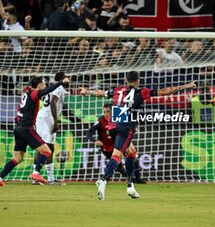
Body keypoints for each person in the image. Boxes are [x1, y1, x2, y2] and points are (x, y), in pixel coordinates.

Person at [81, 71, 196, 201]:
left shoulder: (118, 89)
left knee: (131, 153)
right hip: (126, 126)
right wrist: (185, 86)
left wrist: (88, 92)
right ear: (139, 81)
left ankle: (130, 185)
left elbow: (101, 93)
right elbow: (165, 91)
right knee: (117, 156)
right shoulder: (141, 91)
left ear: (126, 80)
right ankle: (103, 180)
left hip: (112, 126)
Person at [0, 76, 70, 186]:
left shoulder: (26, 92)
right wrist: (61, 82)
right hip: (27, 128)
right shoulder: (34, 93)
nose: (44, 85)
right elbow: (47, 91)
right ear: (38, 85)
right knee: (47, 151)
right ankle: (36, 173)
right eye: (43, 83)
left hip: (18, 128)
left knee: (17, 158)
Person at [86, 103, 146, 183]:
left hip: (118, 143)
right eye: (104, 112)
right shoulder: (100, 121)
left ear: (112, 111)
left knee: (133, 157)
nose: (106, 114)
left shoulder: (118, 118)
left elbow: (130, 120)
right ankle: (127, 179)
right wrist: (95, 140)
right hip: (107, 148)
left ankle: (137, 179)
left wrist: (134, 128)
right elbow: (89, 132)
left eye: (108, 112)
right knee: (119, 165)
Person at [33, 72, 68, 185]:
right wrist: (55, 121)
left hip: (44, 118)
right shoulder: (60, 88)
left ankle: (39, 176)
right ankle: (47, 178)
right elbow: (53, 102)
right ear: (62, 79)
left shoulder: (55, 88)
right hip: (46, 119)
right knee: (47, 148)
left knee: (43, 148)